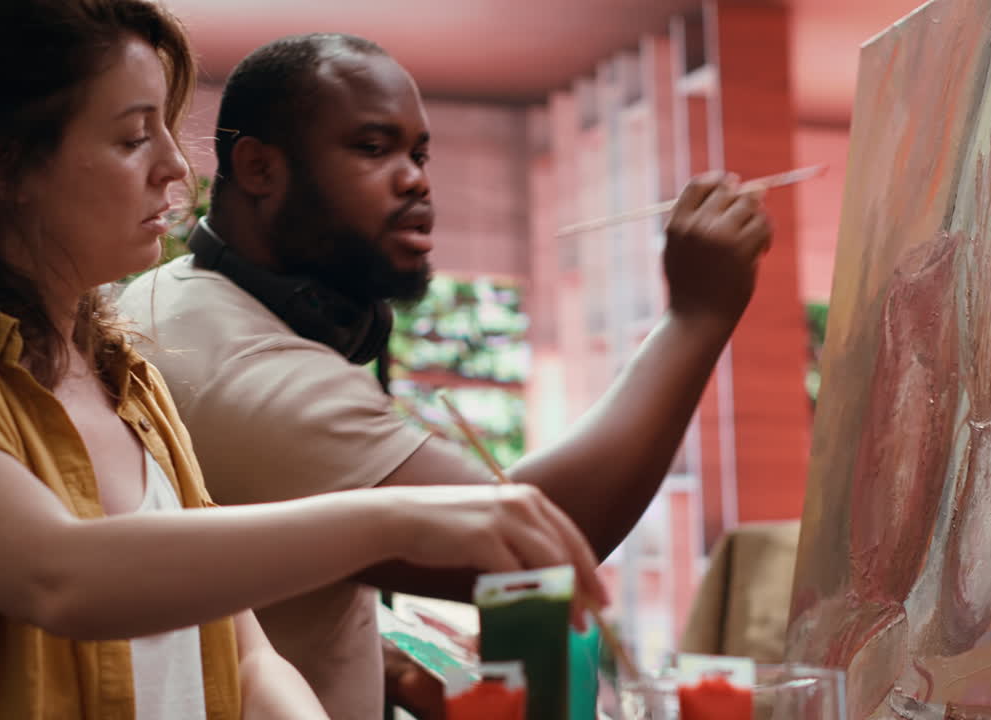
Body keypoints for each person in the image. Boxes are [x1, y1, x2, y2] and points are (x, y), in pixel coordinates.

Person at [0, 5, 607, 719]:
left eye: (168, 128)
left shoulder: (124, 375)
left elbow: (246, 657)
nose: (176, 168)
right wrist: (394, 520)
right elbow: (60, 576)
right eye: (134, 137)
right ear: (5, 168)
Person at [116, 32, 774, 720]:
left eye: (419, 153)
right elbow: (532, 543)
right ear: (257, 168)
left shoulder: (177, 302)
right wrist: (697, 317)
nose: (416, 179)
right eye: (373, 148)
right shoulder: (240, 364)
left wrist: (384, 667)